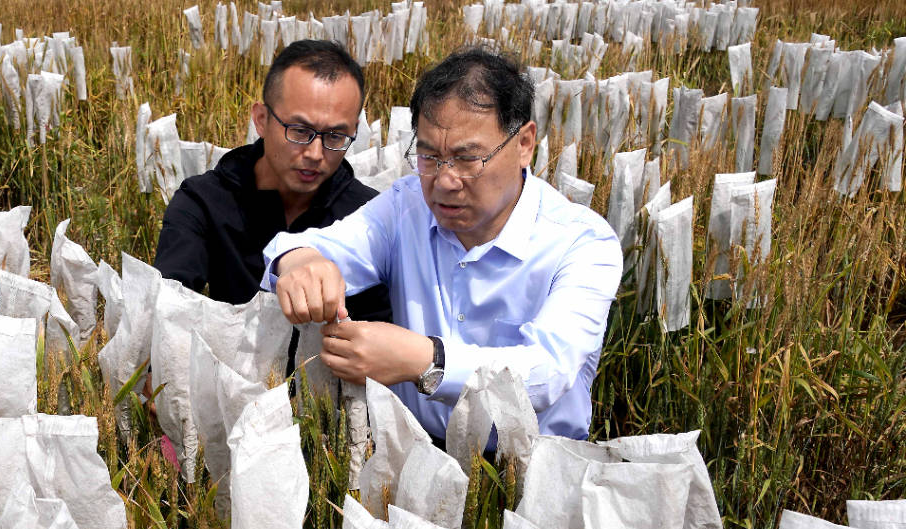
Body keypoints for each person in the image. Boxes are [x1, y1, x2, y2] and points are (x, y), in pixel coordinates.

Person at [261, 47, 622, 442]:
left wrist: (425, 360)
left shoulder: (584, 243)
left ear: (524, 144)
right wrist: (300, 263)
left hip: (534, 469)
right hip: (416, 458)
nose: (445, 180)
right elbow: (310, 247)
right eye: (429, 156)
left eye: (467, 159)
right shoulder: (406, 206)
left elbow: (548, 371)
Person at [154, 38, 391, 322]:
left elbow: (382, 324)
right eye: (300, 130)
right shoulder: (203, 201)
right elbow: (169, 305)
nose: (315, 154)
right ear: (261, 119)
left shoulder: (368, 216)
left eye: (335, 137)